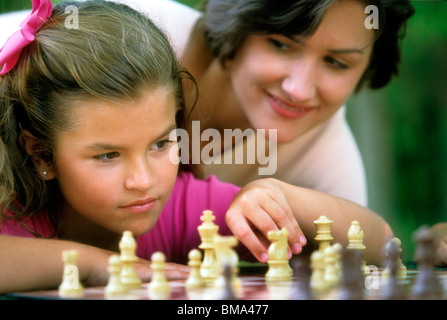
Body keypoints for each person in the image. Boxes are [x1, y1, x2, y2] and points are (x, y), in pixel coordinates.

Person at [0, 0, 392, 294]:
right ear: (41, 154)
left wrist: (274, 193)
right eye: (107, 155)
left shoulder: (182, 205)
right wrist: (96, 265)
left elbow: (381, 243)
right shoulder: (12, 204)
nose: (143, 180)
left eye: (162, 143)